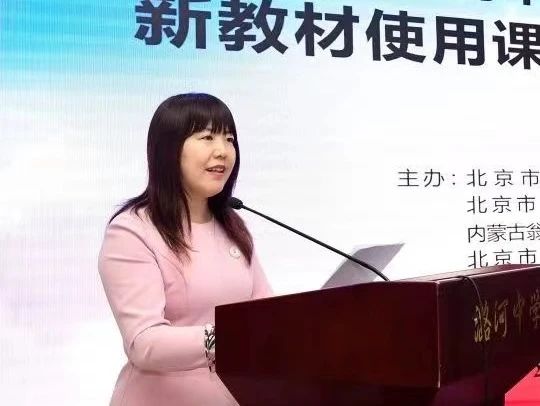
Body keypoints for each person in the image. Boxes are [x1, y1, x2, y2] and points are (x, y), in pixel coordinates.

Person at [98, 93, 273, 406]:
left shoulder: (232, 225)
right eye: (207, 137)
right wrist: (231, 338)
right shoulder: (132, 231)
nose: (222, 151)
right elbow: (144, 342)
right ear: (169, 150)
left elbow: (267, 313)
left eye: (229, 139)